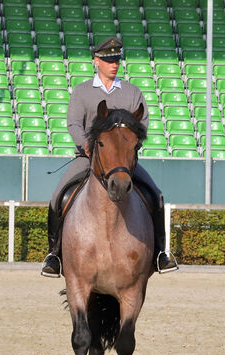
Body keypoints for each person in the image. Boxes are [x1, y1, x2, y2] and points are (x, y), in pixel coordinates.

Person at [40, 37, 178, 277]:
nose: (114, 64)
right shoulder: (83, 91)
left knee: (156, 195)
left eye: (116, 59)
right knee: (58, 196)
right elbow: (73, 122)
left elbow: (142, 125)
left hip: (123, 164)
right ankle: (54, 254)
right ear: (96, 61)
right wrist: (84, 142)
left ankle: (159, 253)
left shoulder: (132, 93)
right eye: (108, 60)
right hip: (89, 158)